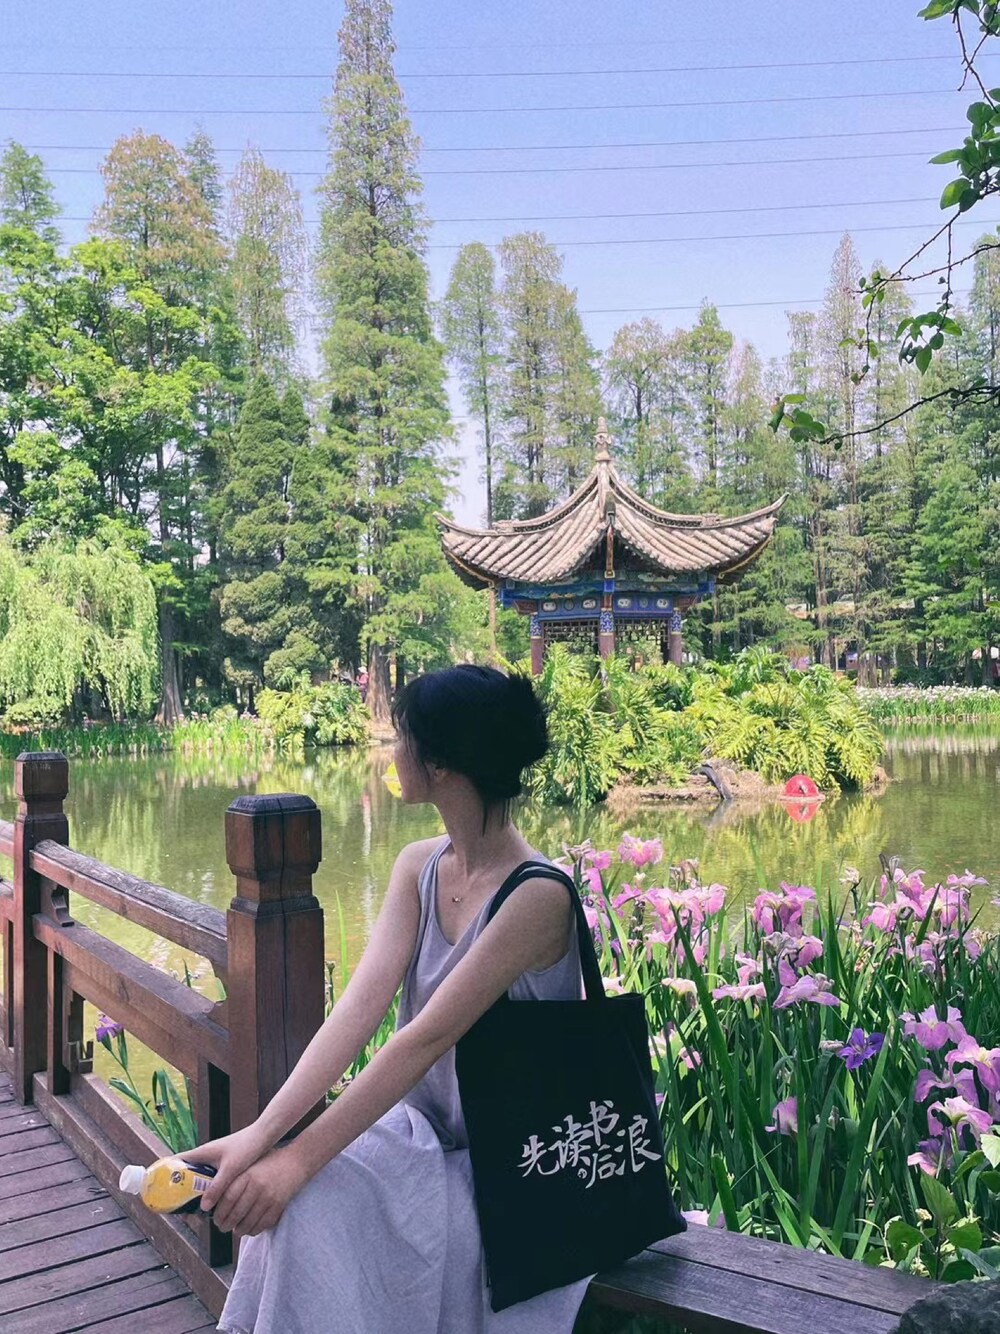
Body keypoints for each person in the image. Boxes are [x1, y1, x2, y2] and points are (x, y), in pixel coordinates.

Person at [193, 665, 590, 1334]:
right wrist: (262, 1137)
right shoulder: (418, 866)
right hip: (423, 1138)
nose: (391, 750)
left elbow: (423, 1040)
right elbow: (359, 1011)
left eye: (402, 737)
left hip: (512, 1164)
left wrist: (295, 1160)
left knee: (301, 1190)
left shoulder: (538, 896)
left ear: (440, 764)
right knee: (301, 1206)